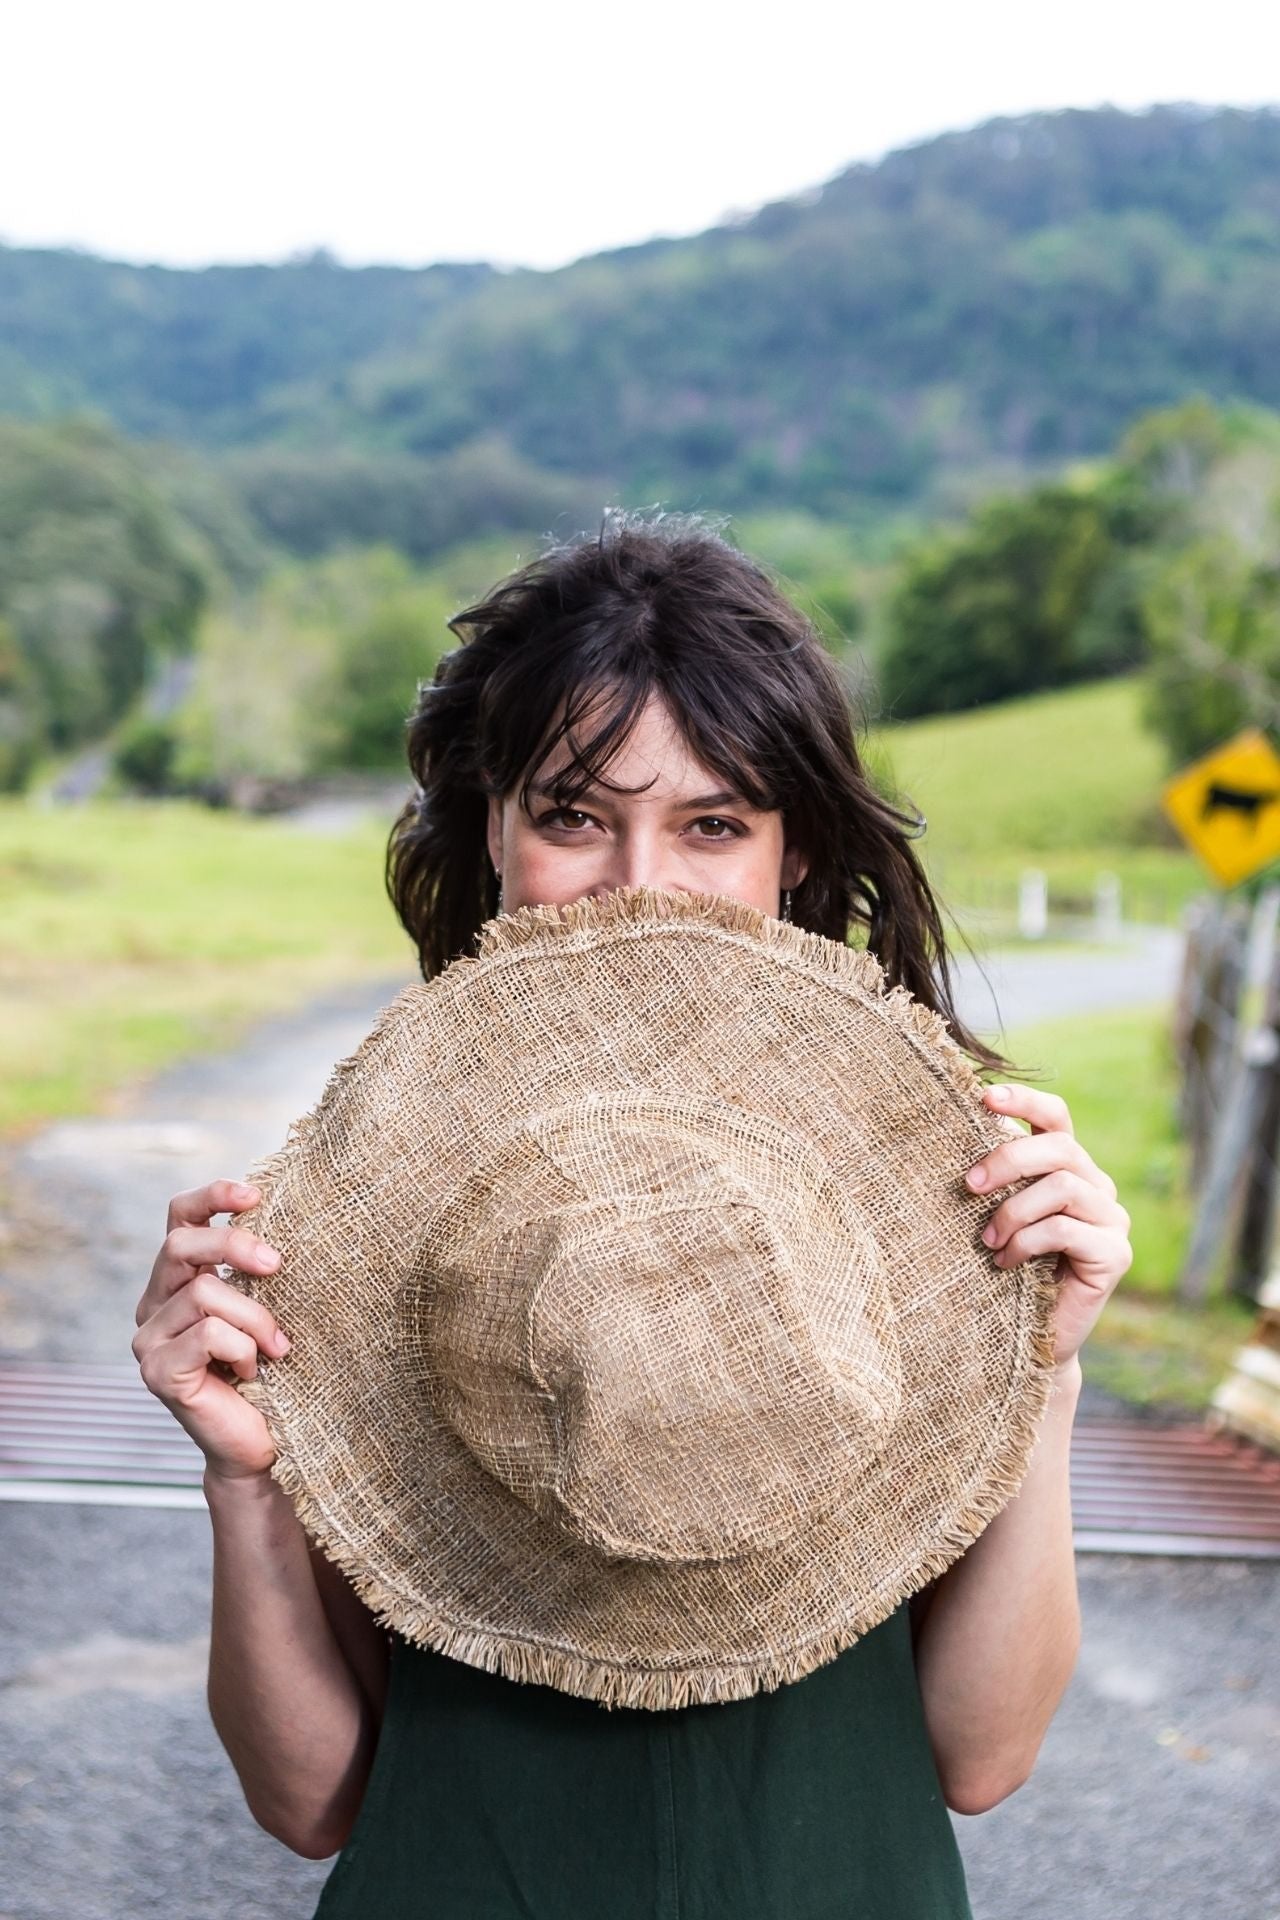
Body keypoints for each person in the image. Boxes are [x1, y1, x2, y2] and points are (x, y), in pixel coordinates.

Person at [133, 512, 1133, 1917]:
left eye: (712, 824)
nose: (639, 887)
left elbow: (980, 1756)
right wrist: (242, 1479)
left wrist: (1050, 1369)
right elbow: (310, 1801)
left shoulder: (939, 1201)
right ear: (492, 829)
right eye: (573, 817)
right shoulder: (369, 1219)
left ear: (794, 854)